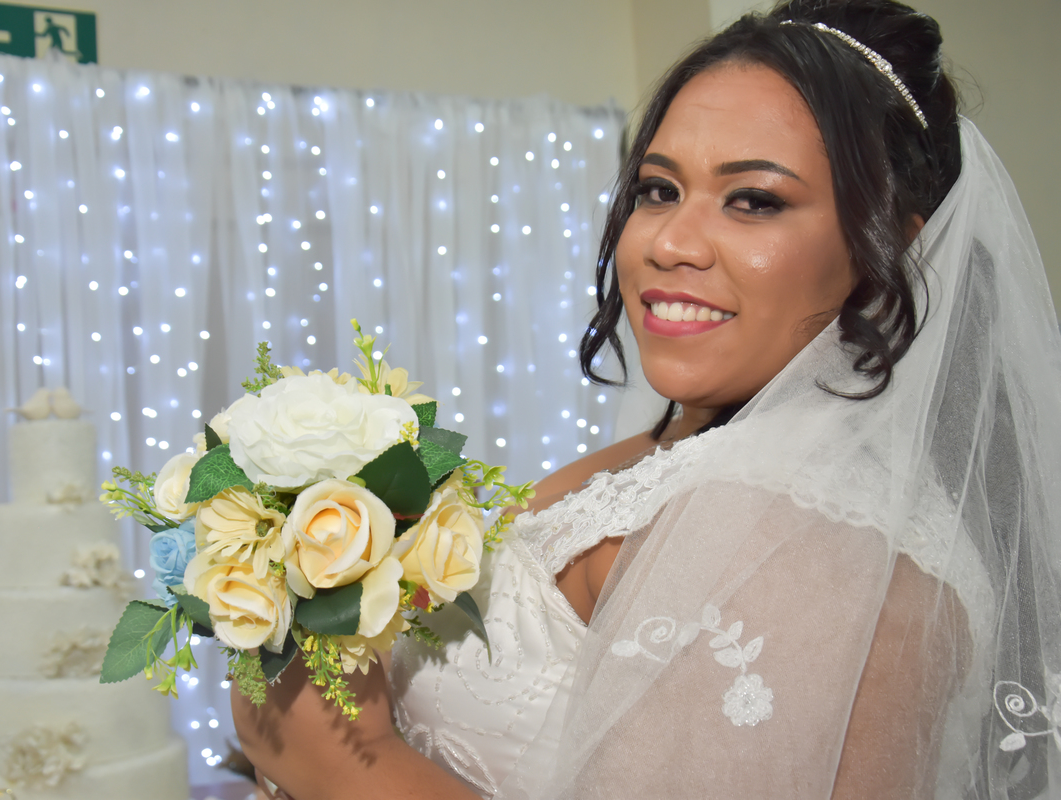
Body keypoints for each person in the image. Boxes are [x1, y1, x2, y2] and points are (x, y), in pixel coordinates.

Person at [232, 1, 1061, 797]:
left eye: (755, 201)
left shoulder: (806, 541)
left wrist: (348, 767)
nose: (669, 242)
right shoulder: (688, 452)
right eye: (659, 190)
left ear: (893, 251)